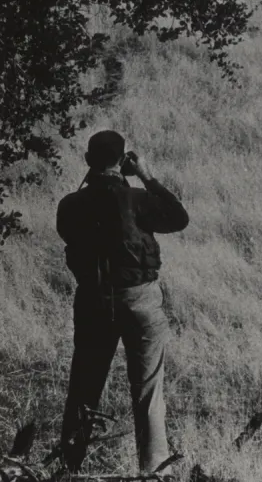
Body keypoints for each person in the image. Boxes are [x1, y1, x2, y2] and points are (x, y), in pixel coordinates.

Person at [56, 130, 189, 476]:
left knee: (84, 384)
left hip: (92, 300)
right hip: (140, 299)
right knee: (147, 391)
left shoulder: (70, 204)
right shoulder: (138, 199)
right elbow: (179, 218)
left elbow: (71, 235)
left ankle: (68, 467)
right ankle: (154, 470)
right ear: (121, 161)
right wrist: (146, 175)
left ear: (88, 161)